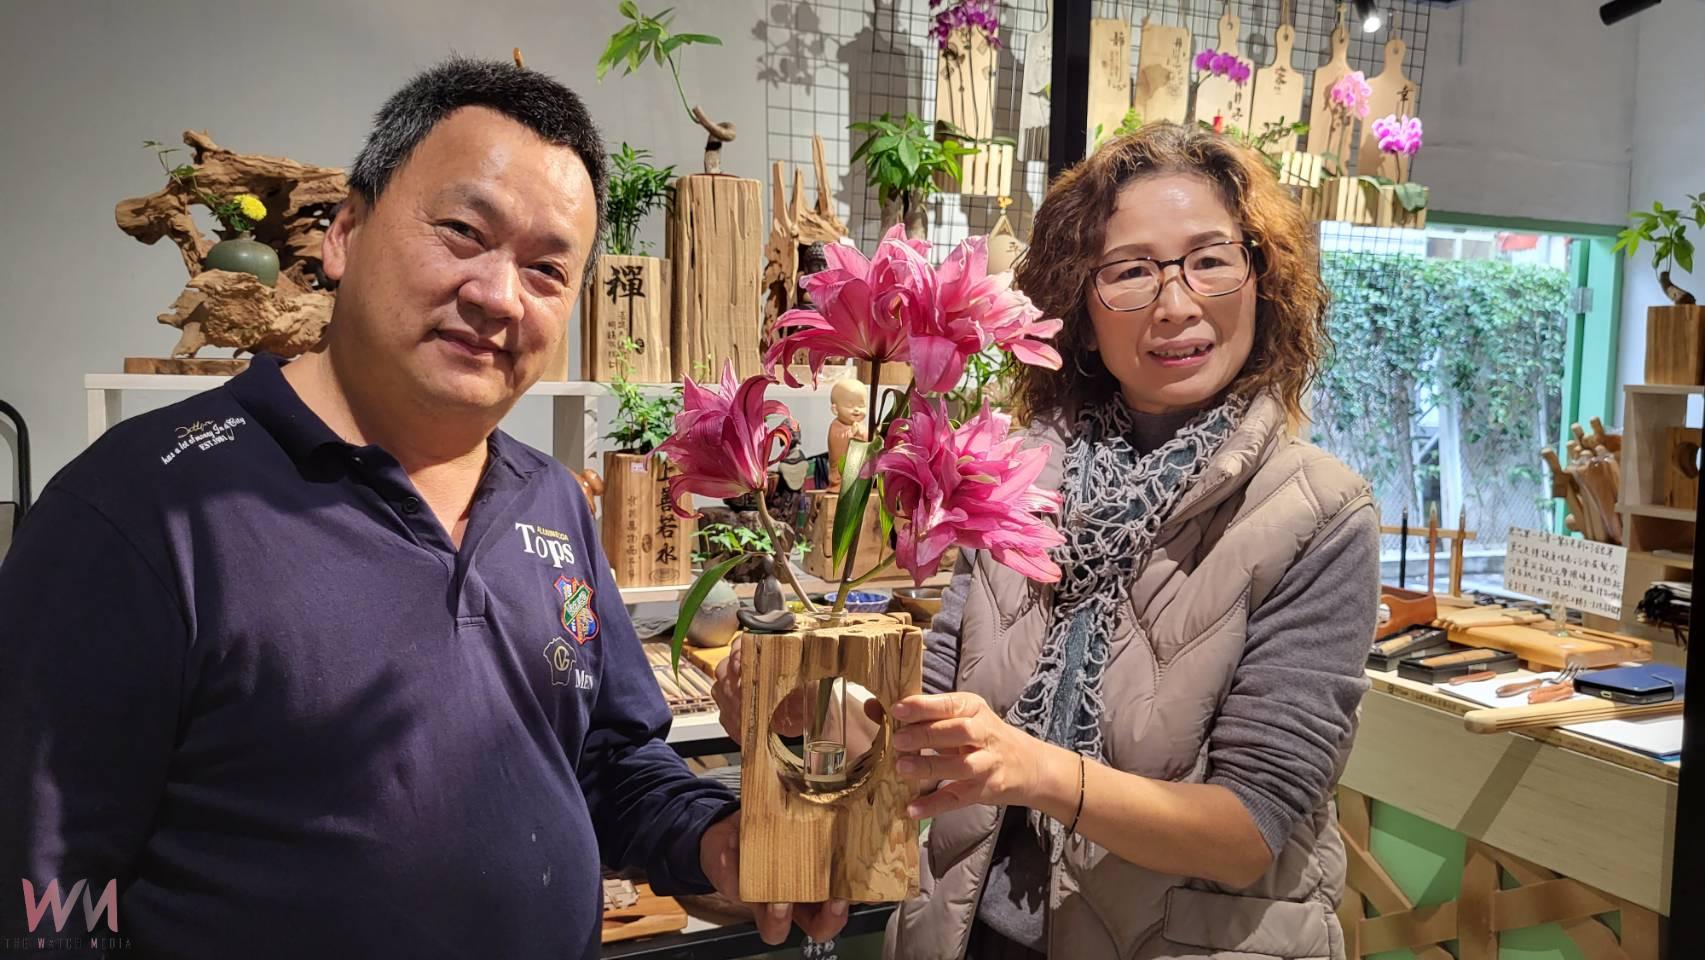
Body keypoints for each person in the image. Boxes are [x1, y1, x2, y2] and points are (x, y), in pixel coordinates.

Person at [0, 58, 844, 958]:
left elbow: (607, 759)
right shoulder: (142, 508)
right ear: (345, 233)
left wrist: (719, 840)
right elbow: (45, 879)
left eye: (546, 270)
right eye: (461, 232)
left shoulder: (550, 499)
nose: (497, 296)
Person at [714, 122, 1379, 959]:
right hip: (969, 933)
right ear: (1080, 310)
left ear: (1263, 280)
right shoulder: (1012, 475)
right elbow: (929, 718)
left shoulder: (1317, 513)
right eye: (1130, 271)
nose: (1176, 304)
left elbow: (1247, 830)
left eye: (1210, 260)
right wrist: (803, 707)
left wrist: (1034, 770)